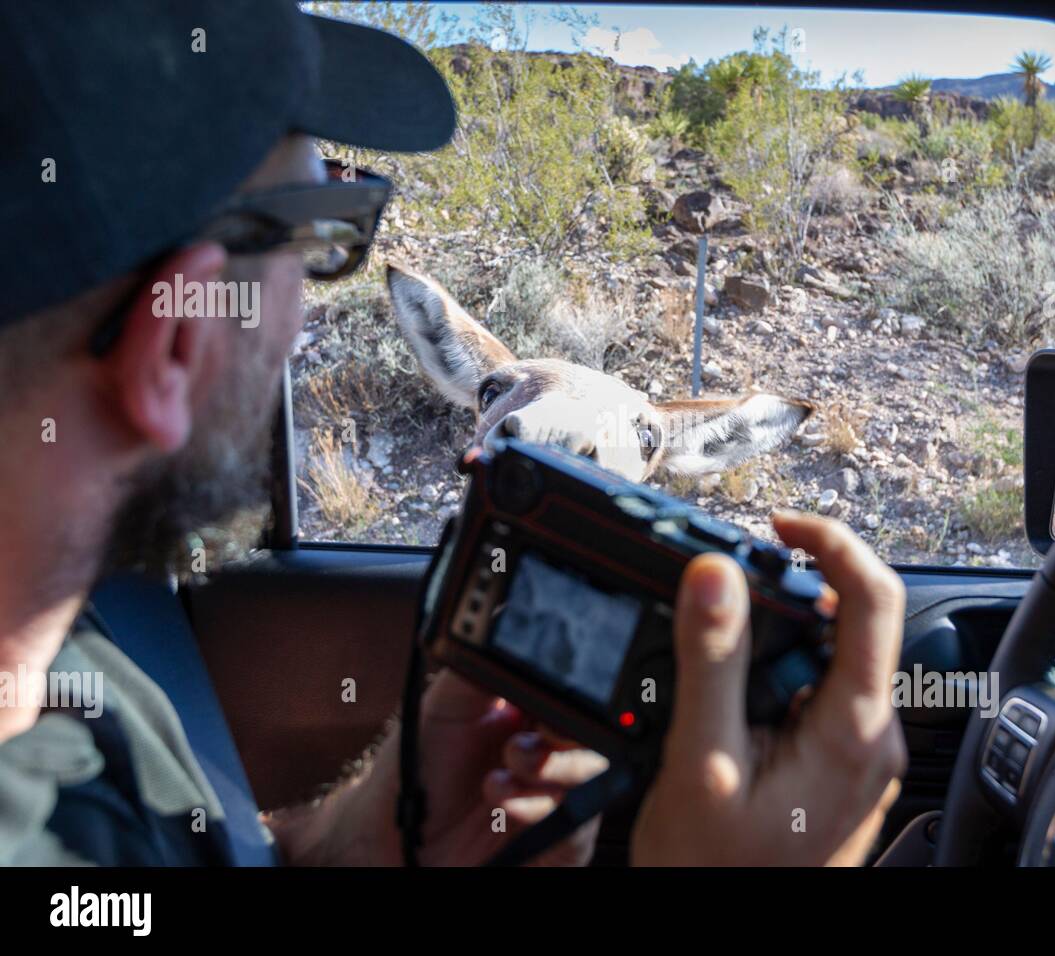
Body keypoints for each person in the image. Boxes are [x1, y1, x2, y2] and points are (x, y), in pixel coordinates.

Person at [0, 0, 906, 866]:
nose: (306, 308)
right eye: (326, 233)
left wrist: (362, 844)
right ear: (176, 341)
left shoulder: (76, 648)